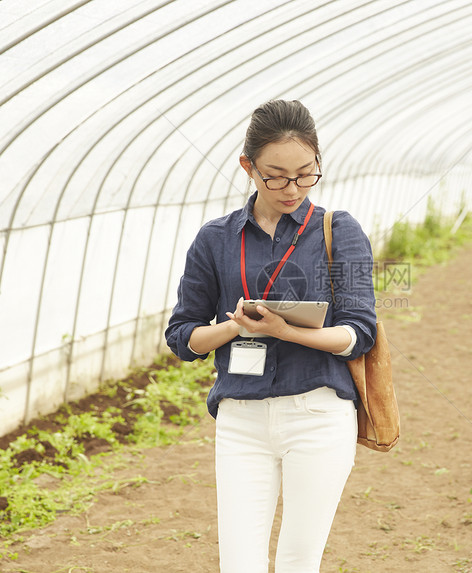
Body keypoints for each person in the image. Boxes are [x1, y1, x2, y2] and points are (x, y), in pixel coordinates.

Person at [165, 99, 377, 573]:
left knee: (299, 562)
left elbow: (358, 334)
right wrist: (233, 327)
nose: (292, 188)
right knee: (239, 564)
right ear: (248, 167)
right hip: (241, 419)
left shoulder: (338, 232)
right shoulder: (215, 239)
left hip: (318, 415)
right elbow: (182, 337)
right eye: (275, 175)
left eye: (306, 174)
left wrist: (285, 330)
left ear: (318, 164)